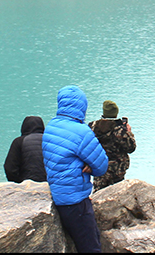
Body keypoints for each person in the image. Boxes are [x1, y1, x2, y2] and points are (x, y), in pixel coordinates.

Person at [43, 86, 109, 253]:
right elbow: (101, 166)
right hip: (76, 201)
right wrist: (88, 165)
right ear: (82, 107)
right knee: (91, 247)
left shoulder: (51, 127)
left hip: (58, 197)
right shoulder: (81, 131)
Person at [89, 100, 137, 192]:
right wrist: (129, 133)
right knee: (117, 194)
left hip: (99, 167)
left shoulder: (92, 127)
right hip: (117, 169)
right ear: (116, 113)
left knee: (99, 193)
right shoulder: (119, 130)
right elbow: (131, 148)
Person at [4, 115, 48, 183]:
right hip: (49, 183)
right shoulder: (50, 141)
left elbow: (10, 167)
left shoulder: (19, 141)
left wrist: (17, 182)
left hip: (27, 182)